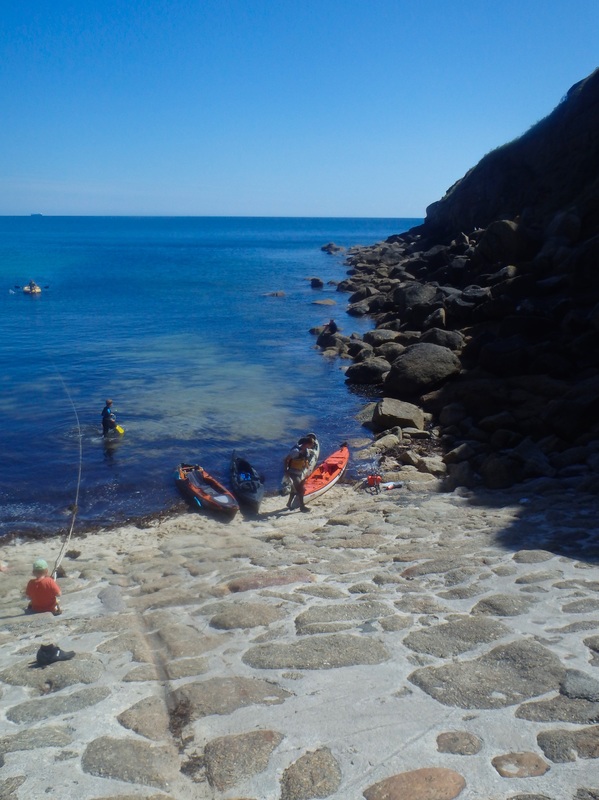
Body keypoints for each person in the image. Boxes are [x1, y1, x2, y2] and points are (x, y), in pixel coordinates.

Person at [283, 434, 318, 512]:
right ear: (307, 444)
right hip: (293, 473)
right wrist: (286, 471)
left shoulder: (306, 451)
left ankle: (289, 504)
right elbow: (286, 460)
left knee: (294, 489)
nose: (312, 446)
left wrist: (307, 466)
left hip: (300, 472)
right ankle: (302, 507)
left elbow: (305, 460)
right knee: (301, 490)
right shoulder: (296, 451)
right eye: (311, 444)